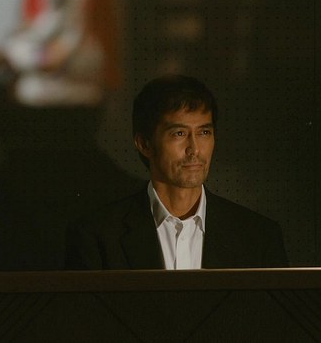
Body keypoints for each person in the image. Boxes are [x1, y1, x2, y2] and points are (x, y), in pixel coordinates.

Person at [65, 75, 288, 269]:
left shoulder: (259, 236)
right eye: (179, 133)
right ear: (144, 144)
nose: (195, 149)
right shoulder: (97, 236)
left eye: (204, 132)